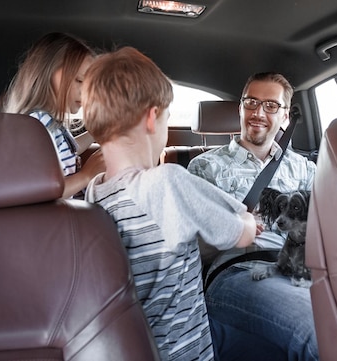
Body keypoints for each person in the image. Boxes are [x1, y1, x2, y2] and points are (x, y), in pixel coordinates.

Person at [80, 46, 257, 360]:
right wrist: (250, 222)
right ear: (152, 118)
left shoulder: (94, 193)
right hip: (185, 351)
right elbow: (240, 234)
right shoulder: (165, 183)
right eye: (166, 117)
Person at [187, 72, 318, 360]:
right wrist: (233, 228)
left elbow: (327, 228)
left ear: (285, 116)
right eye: (251, 102)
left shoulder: (305, 169)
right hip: (240, 271)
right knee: (320, 330)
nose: (258, 113)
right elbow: (191, 249)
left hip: (303, 269)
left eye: (271, 106)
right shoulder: (205, 167)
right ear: (240, 108)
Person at [1, 32, 104, 198]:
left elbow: (69, 150)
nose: (86, 91)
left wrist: (93, 133)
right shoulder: (36, 125)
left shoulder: (48, 124)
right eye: (79, 80)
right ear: (50, 74)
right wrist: (86, 175)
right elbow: (40, 191)